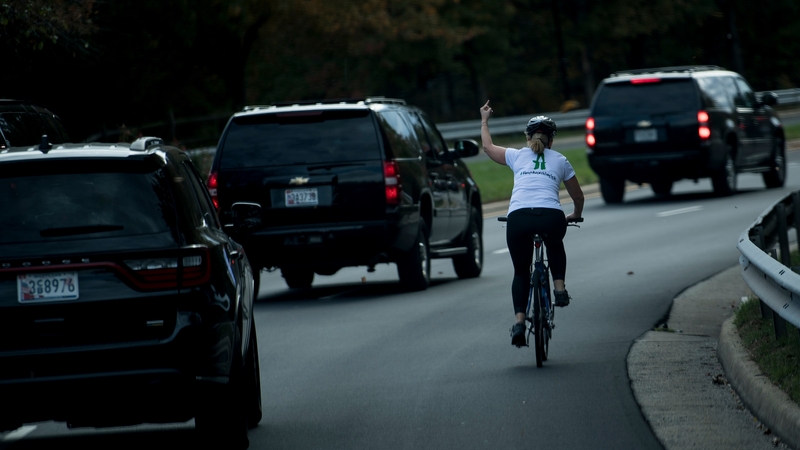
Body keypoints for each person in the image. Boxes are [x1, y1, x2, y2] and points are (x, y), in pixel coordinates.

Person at [479, 100, 585, 347]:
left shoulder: (516, 156)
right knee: (555, 242)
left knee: (520, 271)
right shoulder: (560, 159)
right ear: (551, 140)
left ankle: (518, 323)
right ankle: (559, 289)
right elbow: (577, 196)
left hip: (519, 218)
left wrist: (484, 120)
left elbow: (487, 147)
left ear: (528, 137)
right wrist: (575, 214)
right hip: (551, 216)